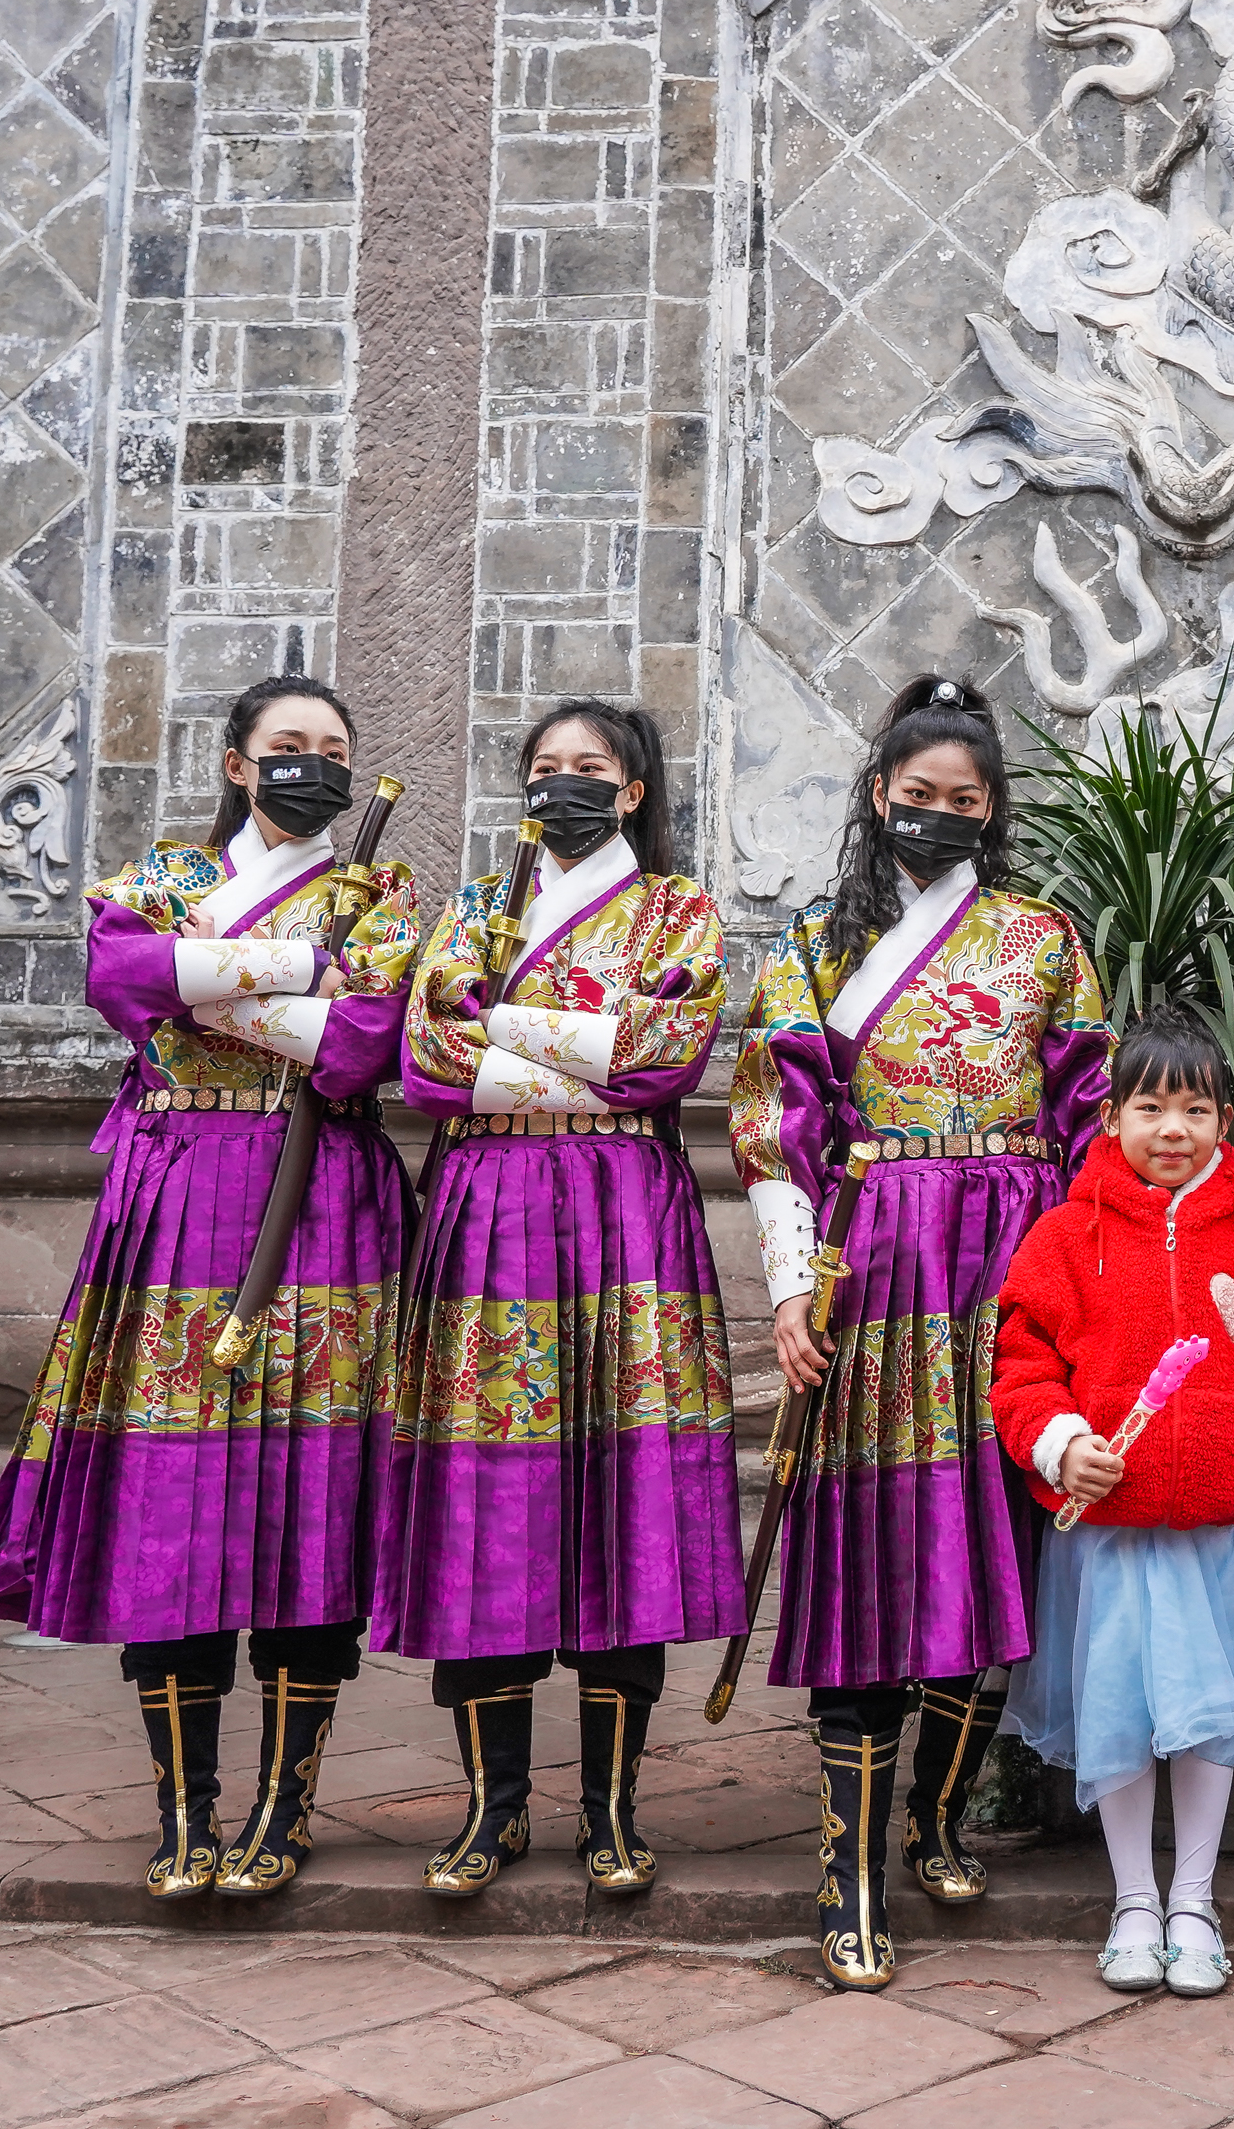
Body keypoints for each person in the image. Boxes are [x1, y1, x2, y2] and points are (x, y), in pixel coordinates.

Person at [0, 673, 423, 1902]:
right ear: (235, 763)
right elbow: (123, 974)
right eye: (286, 746)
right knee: (177, 1494)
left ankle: (284, 1803)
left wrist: (213, 981)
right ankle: (183, 1805)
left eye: (333, 746)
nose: (310, 764)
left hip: (325, 1205)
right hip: (178, 1205)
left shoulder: (383, 891)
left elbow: (372, 1039)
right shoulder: (156, 876)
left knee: (313, 1494)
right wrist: (297, 973)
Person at [728, 676, 1112, 1992]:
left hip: (1012, 1260)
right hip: (873, 1260)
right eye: (917, 795)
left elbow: (1095, 1126)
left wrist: (1093, 1293)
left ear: (994, 811)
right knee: (868, 1551)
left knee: (992, 1531)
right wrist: (788, 1288)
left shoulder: (1046, 938)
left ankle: (942, 1814)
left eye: (965, 799)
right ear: (878, 799)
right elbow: (774, 1129)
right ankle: (850, 1878)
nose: (938, 814)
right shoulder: (819, 947)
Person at [380, 699, 740, 1898]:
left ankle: (611, 1807)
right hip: (488, 1214)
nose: (565, 784)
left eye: (591, 769)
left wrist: (496, 1035)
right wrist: (579, 1044)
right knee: (490, 1490)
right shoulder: (480, 901)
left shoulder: (681, 910)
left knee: (620, 1487)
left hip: (624, 1217)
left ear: (634, 790)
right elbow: (422, 1058)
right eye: (546, 768)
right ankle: (495, 1807)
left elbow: (667, 1057)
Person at [989, 1012, 1234, 1998]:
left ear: (1225, 1119)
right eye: (1151, 1106)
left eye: (1195, 1107)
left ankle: (1194, 1897)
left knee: (1207, 1717)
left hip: (1216, 1527)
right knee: (1119, 1712)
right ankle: (1132, 1899)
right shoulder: (1068, 1236)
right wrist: (1065, 1445)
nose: (1174, 1127)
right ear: (1112, 1118)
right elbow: (1021, 1372)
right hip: (1108, 1528)